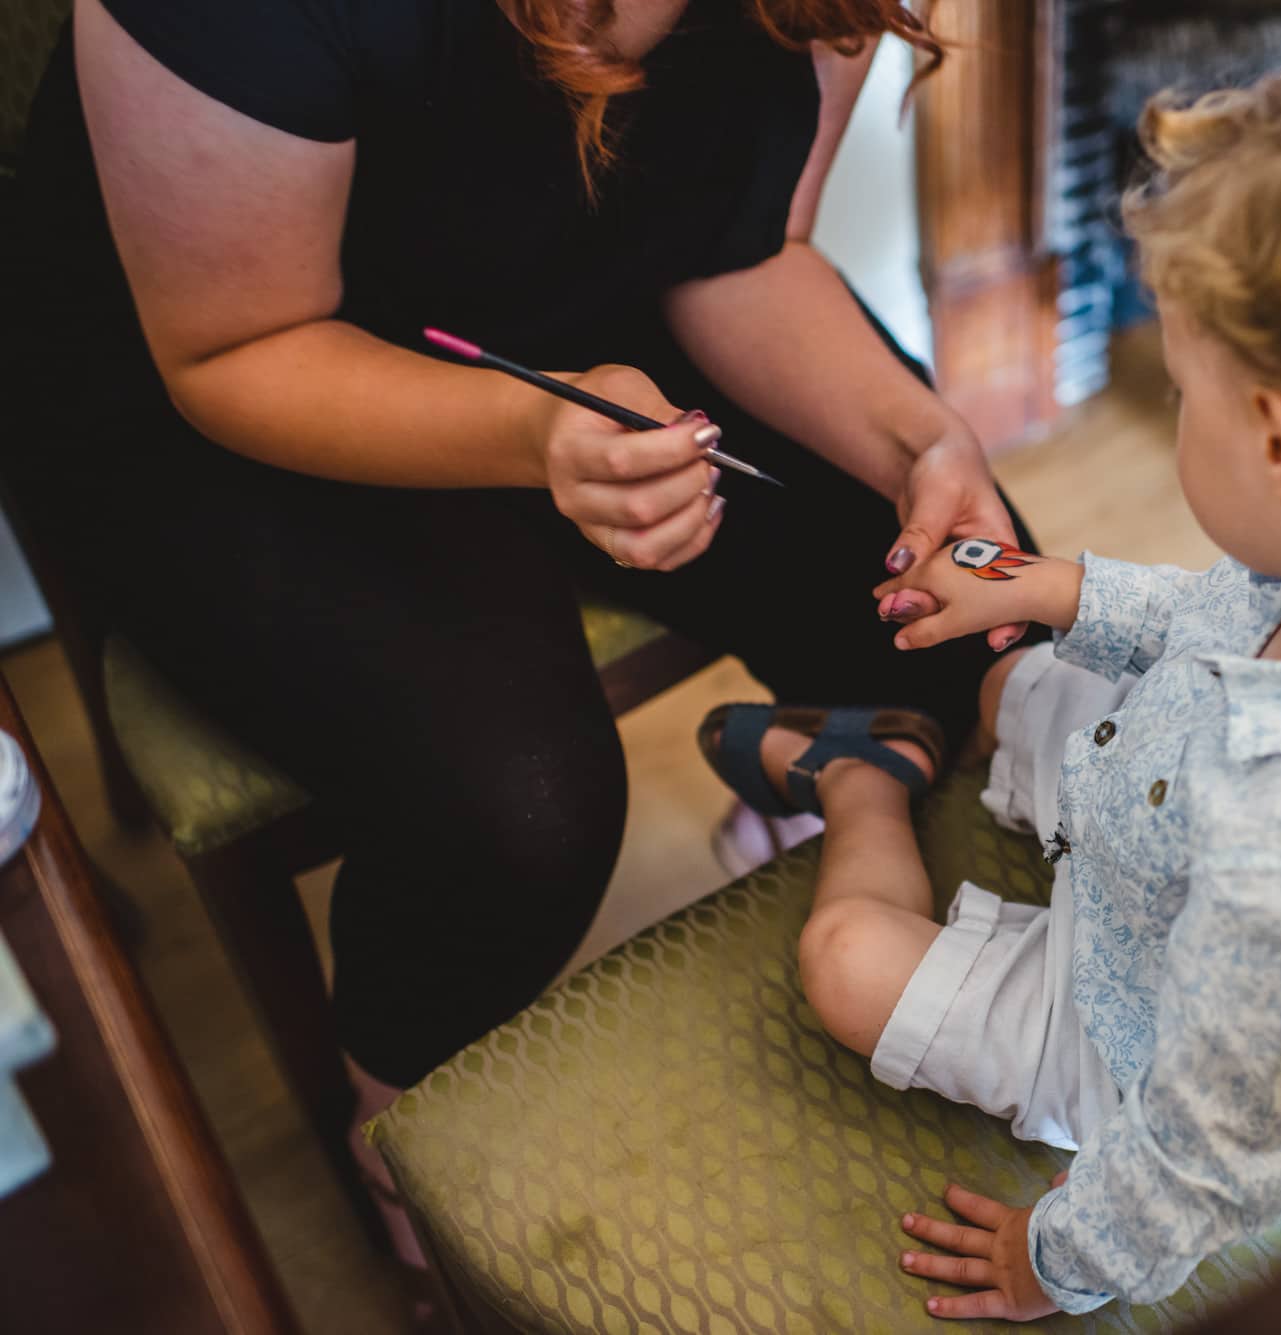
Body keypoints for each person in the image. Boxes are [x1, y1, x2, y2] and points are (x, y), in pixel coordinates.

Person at [5, 0, 1037, 1260]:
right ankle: (395, 1129)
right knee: (521, 808)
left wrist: (923, 442)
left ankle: (834, 771)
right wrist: (531, 437)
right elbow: (232, 348)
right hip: (239, 384)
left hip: (586, 298)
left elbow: (736, 249)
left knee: (976, 617)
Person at [698, 34, 1281, 1318]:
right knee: (1007, 686)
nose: (1176, 407)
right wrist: (1059, 590)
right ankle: (992, 759)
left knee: (848, 961)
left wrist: (1053, 1263)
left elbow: (1207, 1159)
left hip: (1132, 1043)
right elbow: (1221, 618)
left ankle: (864, 781)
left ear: (1277, 441)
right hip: (1166, 817)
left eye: (1181, 387)